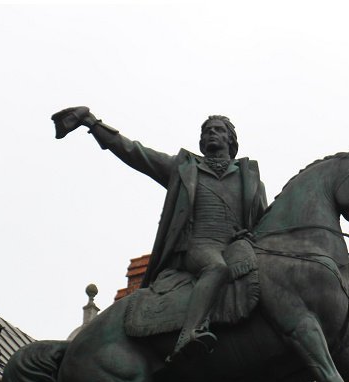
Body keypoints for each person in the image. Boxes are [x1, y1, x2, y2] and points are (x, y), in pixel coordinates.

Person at [52, 107, 268, 363]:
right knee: (216, 269)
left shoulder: (249, 178)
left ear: (230, 139)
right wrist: (93, 123)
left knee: (277, 286)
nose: (212, 133)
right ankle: (189, 334)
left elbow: (263, 224)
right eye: (207, 131)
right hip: (199, 247)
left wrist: (252, 234)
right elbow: (135, 153)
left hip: (235, 247)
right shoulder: (185, 168)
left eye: (218, 130)